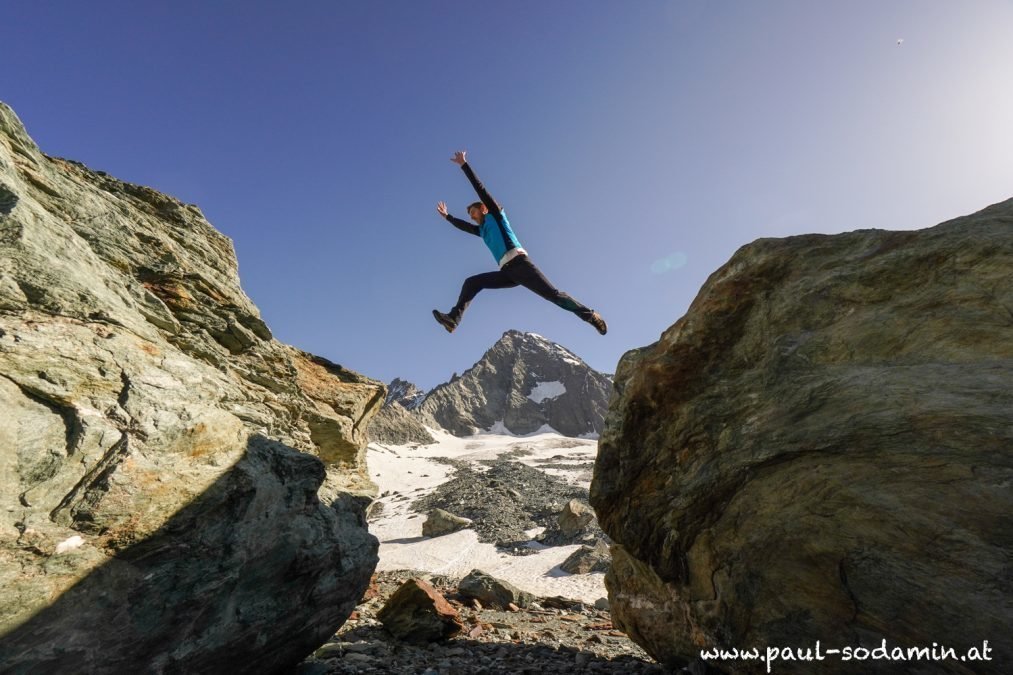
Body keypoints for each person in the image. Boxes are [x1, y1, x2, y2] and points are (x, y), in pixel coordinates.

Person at [432, 150, 608, 336]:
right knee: (472, 283)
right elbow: (464, 227)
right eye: (470, 216)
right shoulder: (482, 231)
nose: (472, 217)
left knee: (553, 295)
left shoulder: (495, 215)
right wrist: (448, 218)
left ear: (483, 208)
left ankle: (591, 316)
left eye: (473, 212)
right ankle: (453, 319)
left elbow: (481, 189)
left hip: (521, 264)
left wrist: (464, 166)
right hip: (507, 272)